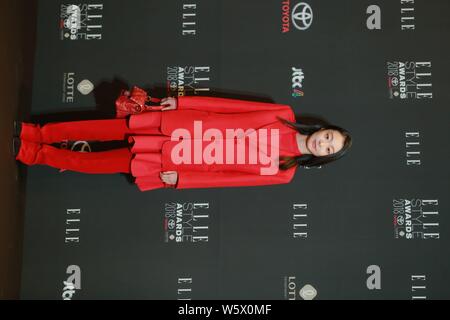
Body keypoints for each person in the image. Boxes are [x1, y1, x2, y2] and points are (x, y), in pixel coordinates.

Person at [13, 95, 352, 191]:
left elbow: (229, 179)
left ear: (325, 158)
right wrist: (183, 103)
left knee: (101, 163)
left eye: (329, 148)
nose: (324, 143)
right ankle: (37, 133)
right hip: (180, 125)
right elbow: (229, 107)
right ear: (322, 128)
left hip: (182, 161)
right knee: (102, 129)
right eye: (328, 136)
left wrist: (185, 180)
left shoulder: (284, 172)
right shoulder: (282, 112)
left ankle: (33, 154)